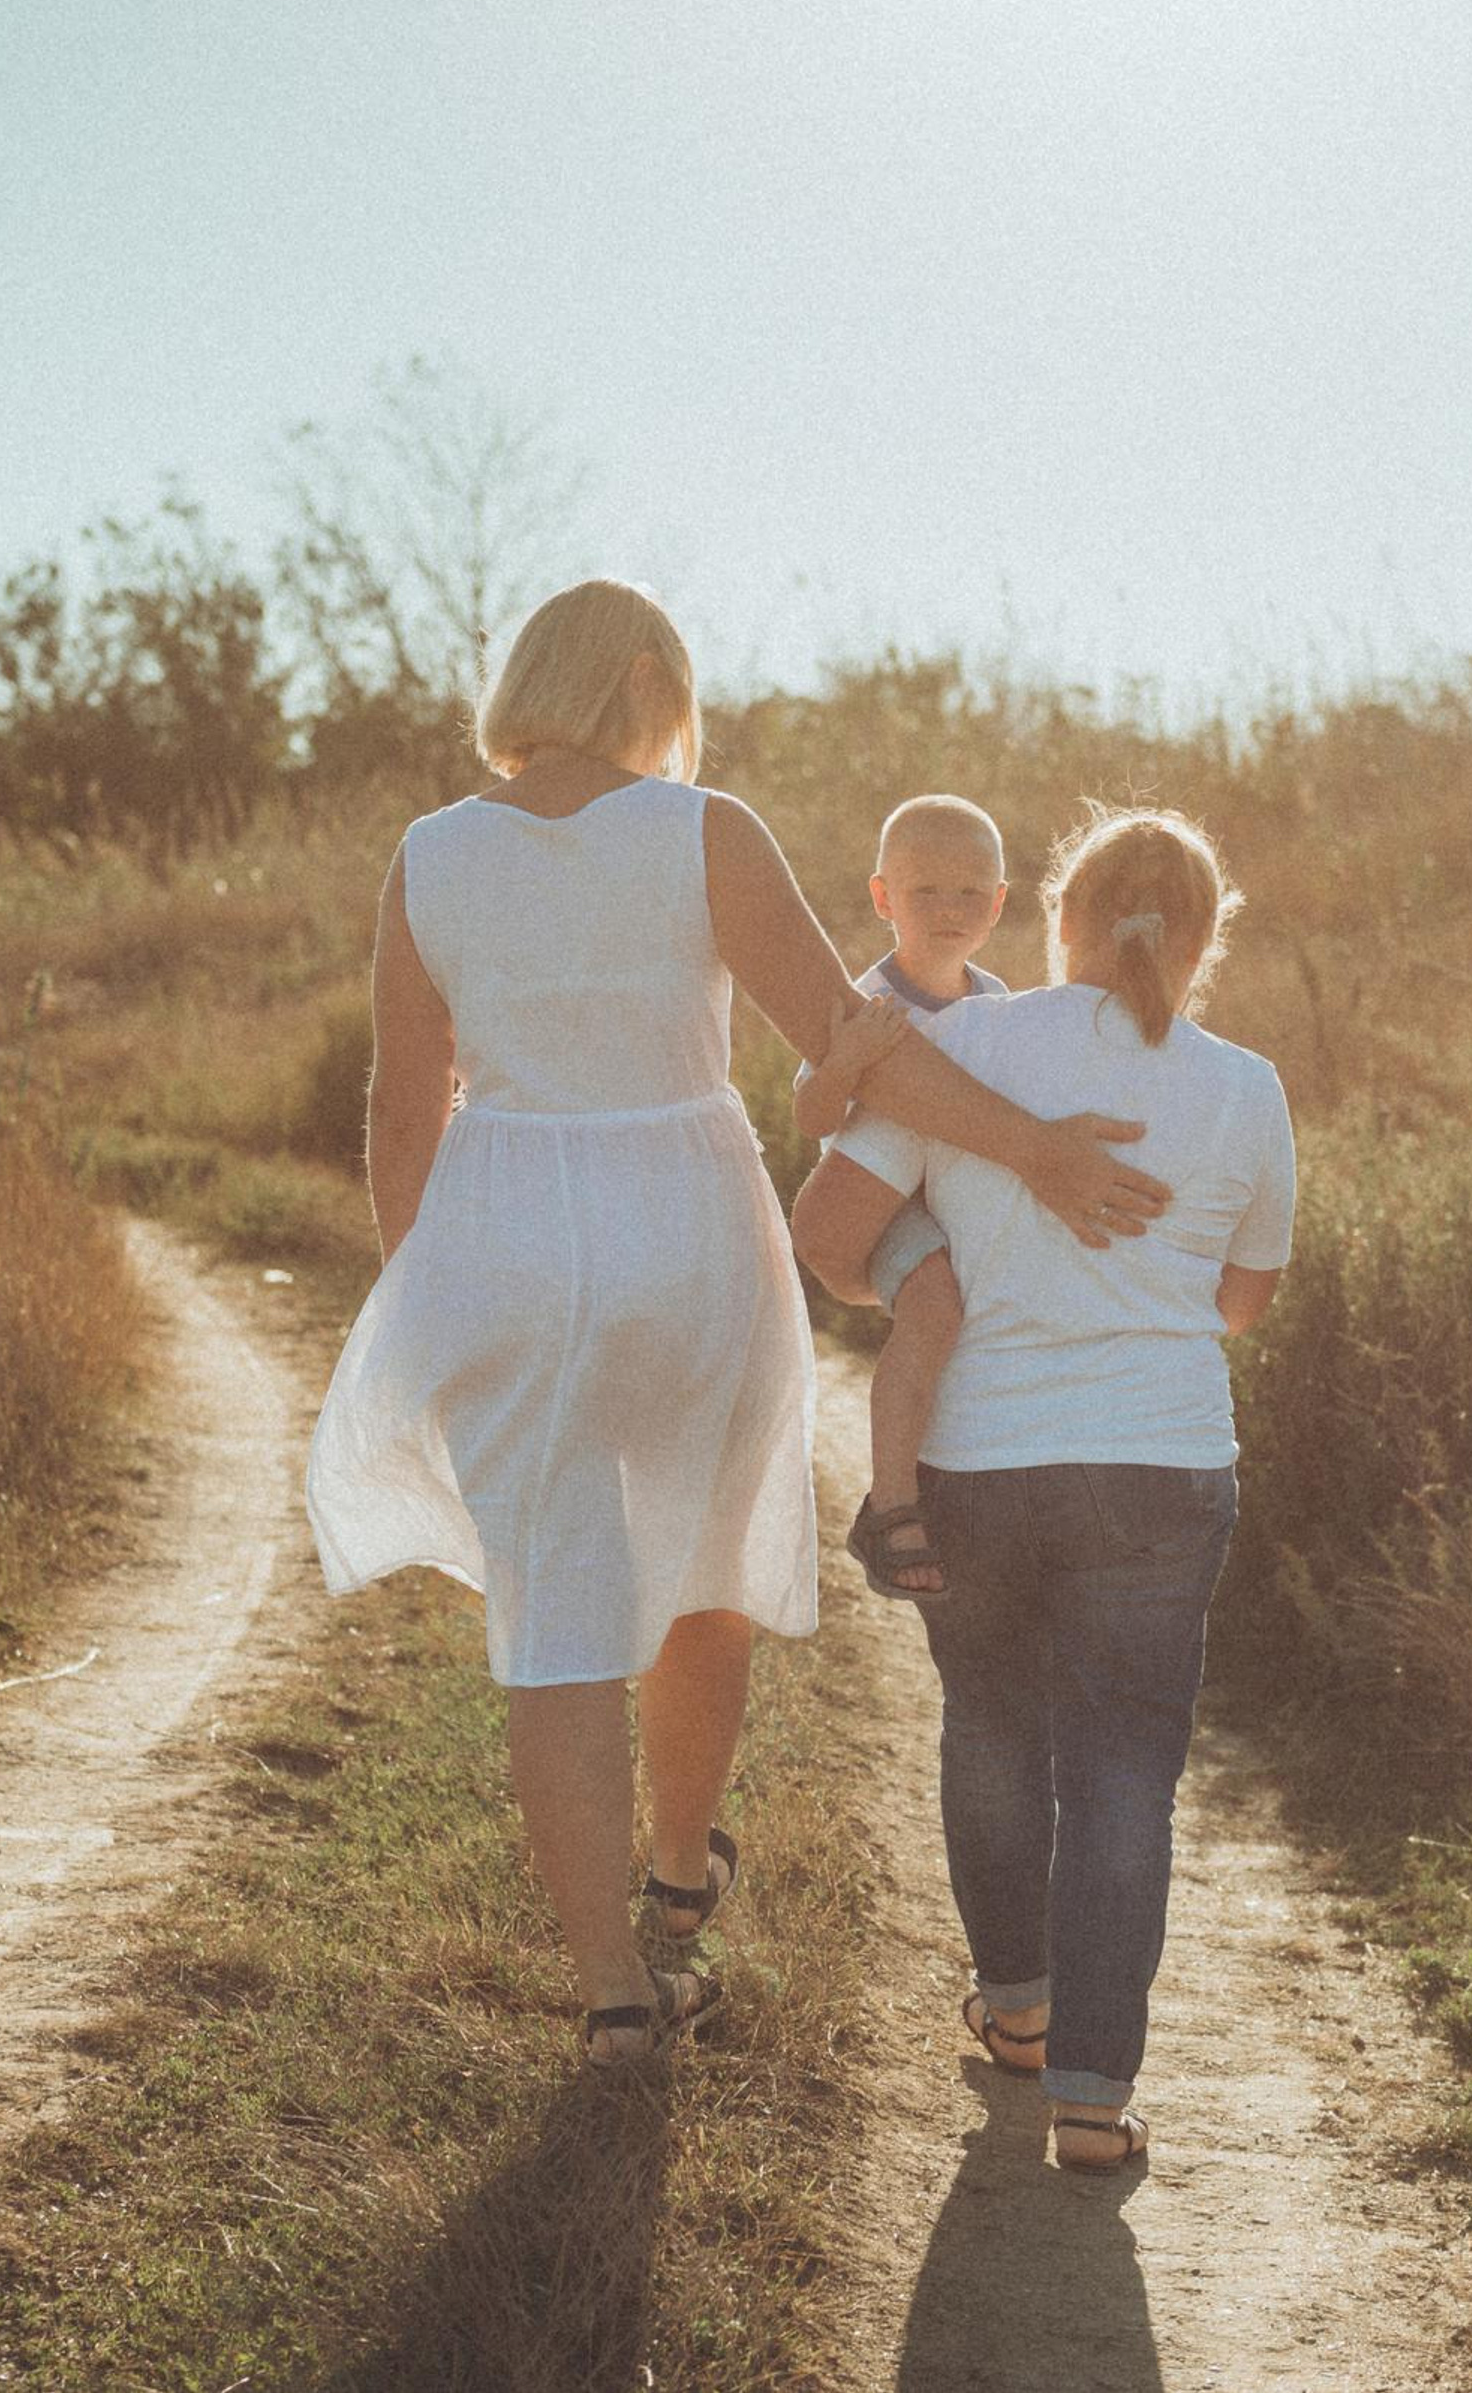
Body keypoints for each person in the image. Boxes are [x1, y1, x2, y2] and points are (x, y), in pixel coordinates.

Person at [303, 579, 1171, 2065]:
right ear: (645, 679)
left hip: (507, 1223)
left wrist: (423, 1295)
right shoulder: (701, 830)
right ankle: (682, 1883)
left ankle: (610, 1994)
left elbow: (400, 1105)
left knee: (552, 1610)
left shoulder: (429, 855)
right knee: (702, 1572)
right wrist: (1036, 1150)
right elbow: (855, 1045)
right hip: (688, 1224)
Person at [791, 804, 1294, 2166]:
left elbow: (829, 1236)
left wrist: (950, 1270)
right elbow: (1241, 1303)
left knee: (995, 1728)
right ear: (1203, 942)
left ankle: (1015, 2014)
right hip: (1160, 1466)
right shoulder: (1245, 1088)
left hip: (980, 1457)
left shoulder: (958, 1047)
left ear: (1051, 917)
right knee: (1126, 1771)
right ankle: (1091, 2099)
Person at [791, 795, 1011, 1599]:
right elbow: (809, 1118)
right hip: (885, 1206)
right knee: (934, 1306)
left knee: (991, 1309)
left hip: (957, 1193)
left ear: (999, 902)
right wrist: (846, 1061)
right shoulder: (867, 1000)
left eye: (970, 893)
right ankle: (889, 1505)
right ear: (883, 898)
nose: (950, 911)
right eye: (926, 892)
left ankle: (979, 1469)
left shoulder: (997, 1003)